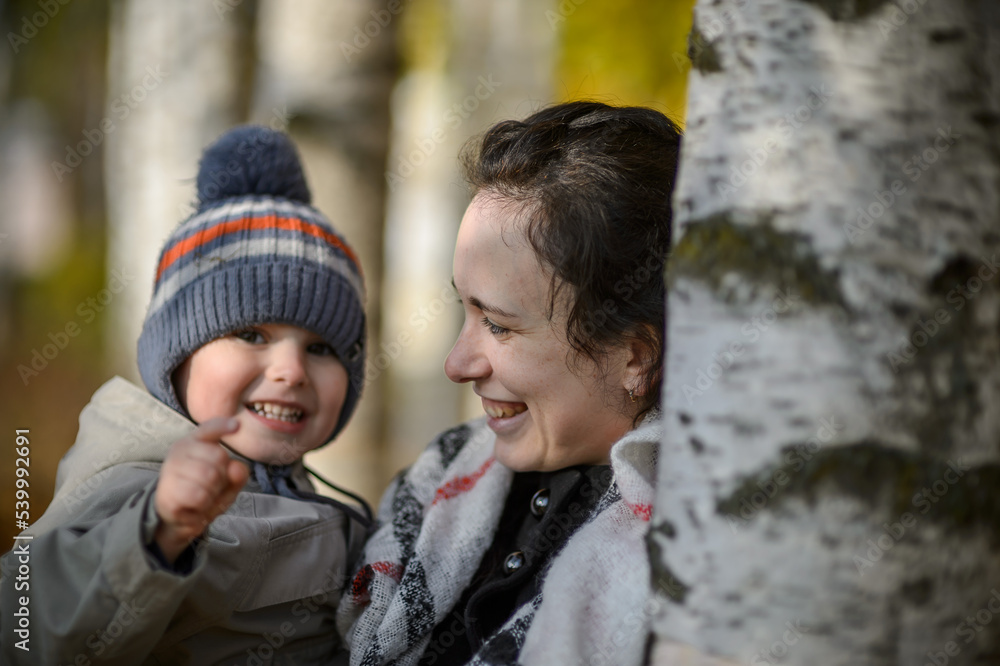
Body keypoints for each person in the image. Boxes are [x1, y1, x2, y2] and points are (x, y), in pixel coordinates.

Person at [0, 126, 370, 664]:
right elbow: (21, 623)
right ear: (175, 357)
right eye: (250, 335)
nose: (291, 370)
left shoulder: (291, 486)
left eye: (320, 348)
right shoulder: (137, 485)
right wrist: (159, 532)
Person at [337, 101, 681, 666]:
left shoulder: (703, 561)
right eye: (464, 310)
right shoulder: (436, 482)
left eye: (498, 323)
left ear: (635, 356)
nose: (457, 363)